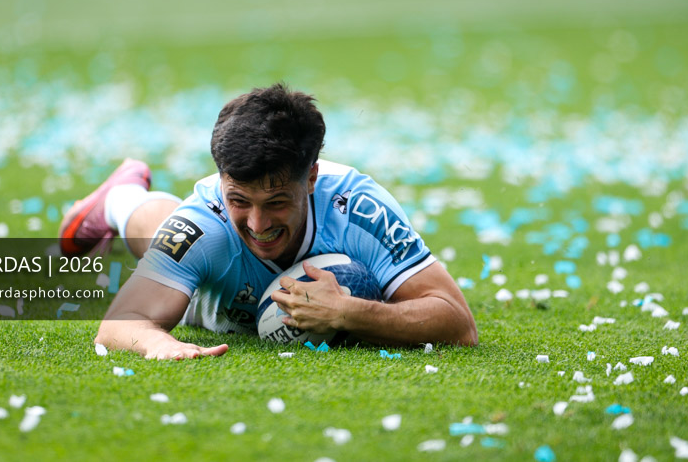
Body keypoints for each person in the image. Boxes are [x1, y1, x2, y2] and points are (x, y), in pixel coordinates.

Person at [60, 83, 477, 359]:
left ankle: (124, 195)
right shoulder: (203, 221)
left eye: (277, 202)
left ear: (311, 178)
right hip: (207, 284)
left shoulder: (360, 209)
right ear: (222, 180)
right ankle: (120, 199)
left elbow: (459, 324)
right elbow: (117, 325)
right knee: (169, 233)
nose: (258, 224)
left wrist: (347, 313)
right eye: (240, 199)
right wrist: (158, 344)